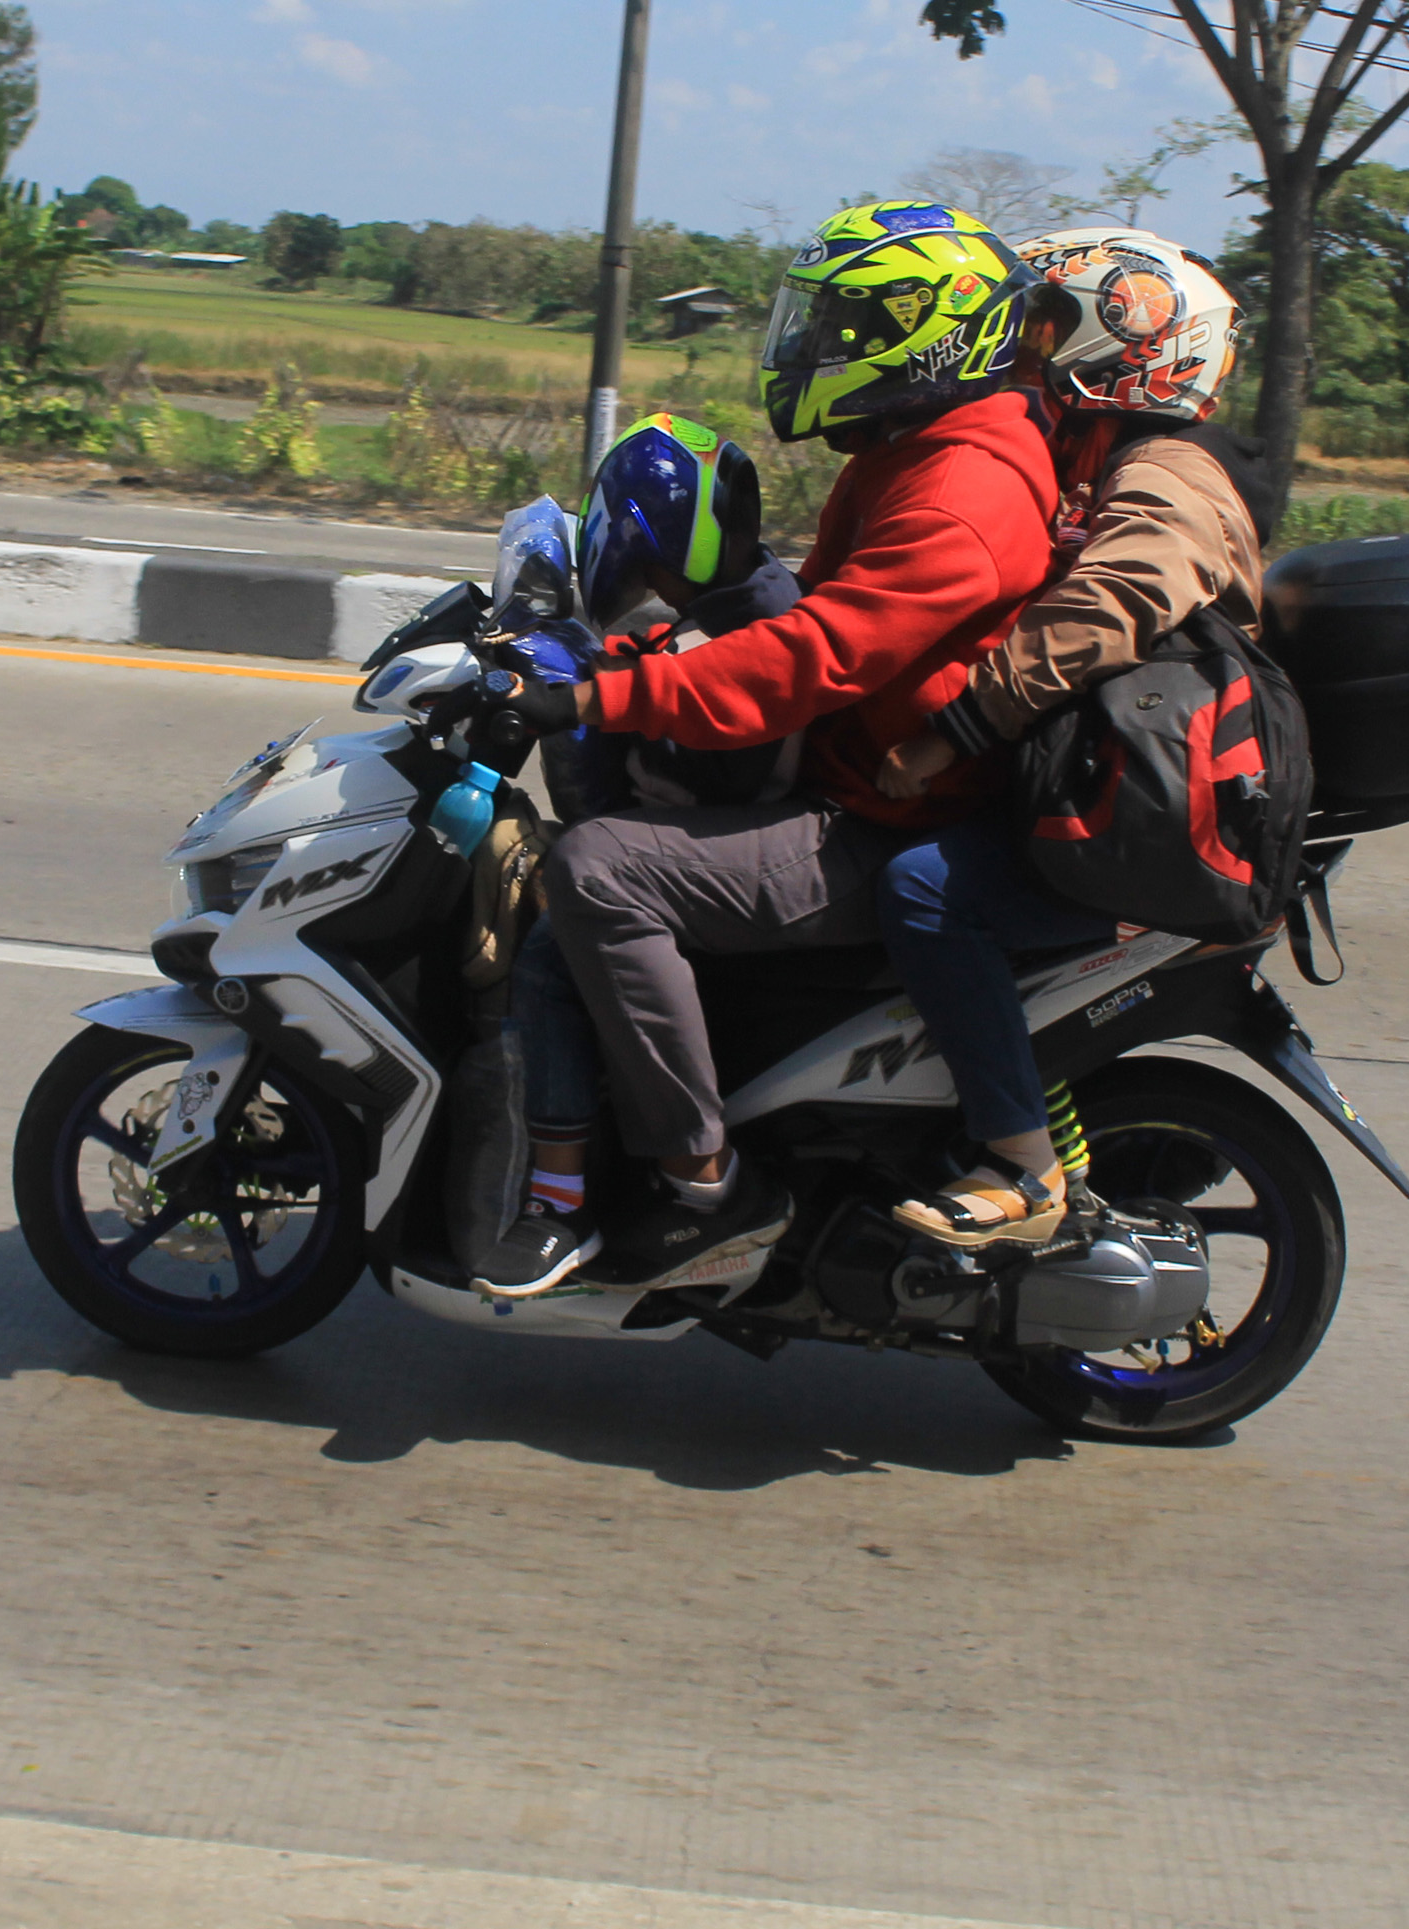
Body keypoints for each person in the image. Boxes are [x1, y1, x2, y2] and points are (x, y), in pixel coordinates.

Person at [487, 201, 1063, 1292]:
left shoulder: (962, 490)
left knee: (597, 867)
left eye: (844, 329)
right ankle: (579, 1168)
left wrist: (605, 697)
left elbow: (816, 656)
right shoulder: (916, 449)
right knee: (599, 876)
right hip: (863, 787)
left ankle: (705, 1182)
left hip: (880, 821)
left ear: (928, 333)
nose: (815, 351)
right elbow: (817, 616)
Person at [865, 229, 1258, 1246]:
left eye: (1049, 329)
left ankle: (1020, 1165)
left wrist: (952, 732)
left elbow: (1111, 601)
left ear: (1133, 346)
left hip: (1146, 819)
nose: (1027, 352)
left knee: (925, 889)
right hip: (1098, 784)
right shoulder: (1098, 463)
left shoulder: (1169, 473)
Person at [480, 414, 800, 1295]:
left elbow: (633, 784)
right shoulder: (764, 594)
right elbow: (663, 661)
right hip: (767, 828)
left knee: (556, 941)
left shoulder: (736, 640)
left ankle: (560, 1203)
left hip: (752, 838)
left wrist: (572, 698)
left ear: (651, 546)